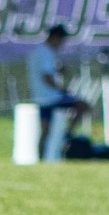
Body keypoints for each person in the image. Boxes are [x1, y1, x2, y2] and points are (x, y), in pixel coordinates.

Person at [28, 24, 92, 162]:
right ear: (55, 38)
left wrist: (58, 70)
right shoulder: (46, 53)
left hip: (40, 98)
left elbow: (46, 72)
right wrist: (62, 89)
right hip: (52, 97)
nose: (62, 44)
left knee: (45, 132)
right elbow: (47, 77)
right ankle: (67, 135)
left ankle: (40, 160)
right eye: (62, 40)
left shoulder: (38, 52)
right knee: (83, 106)